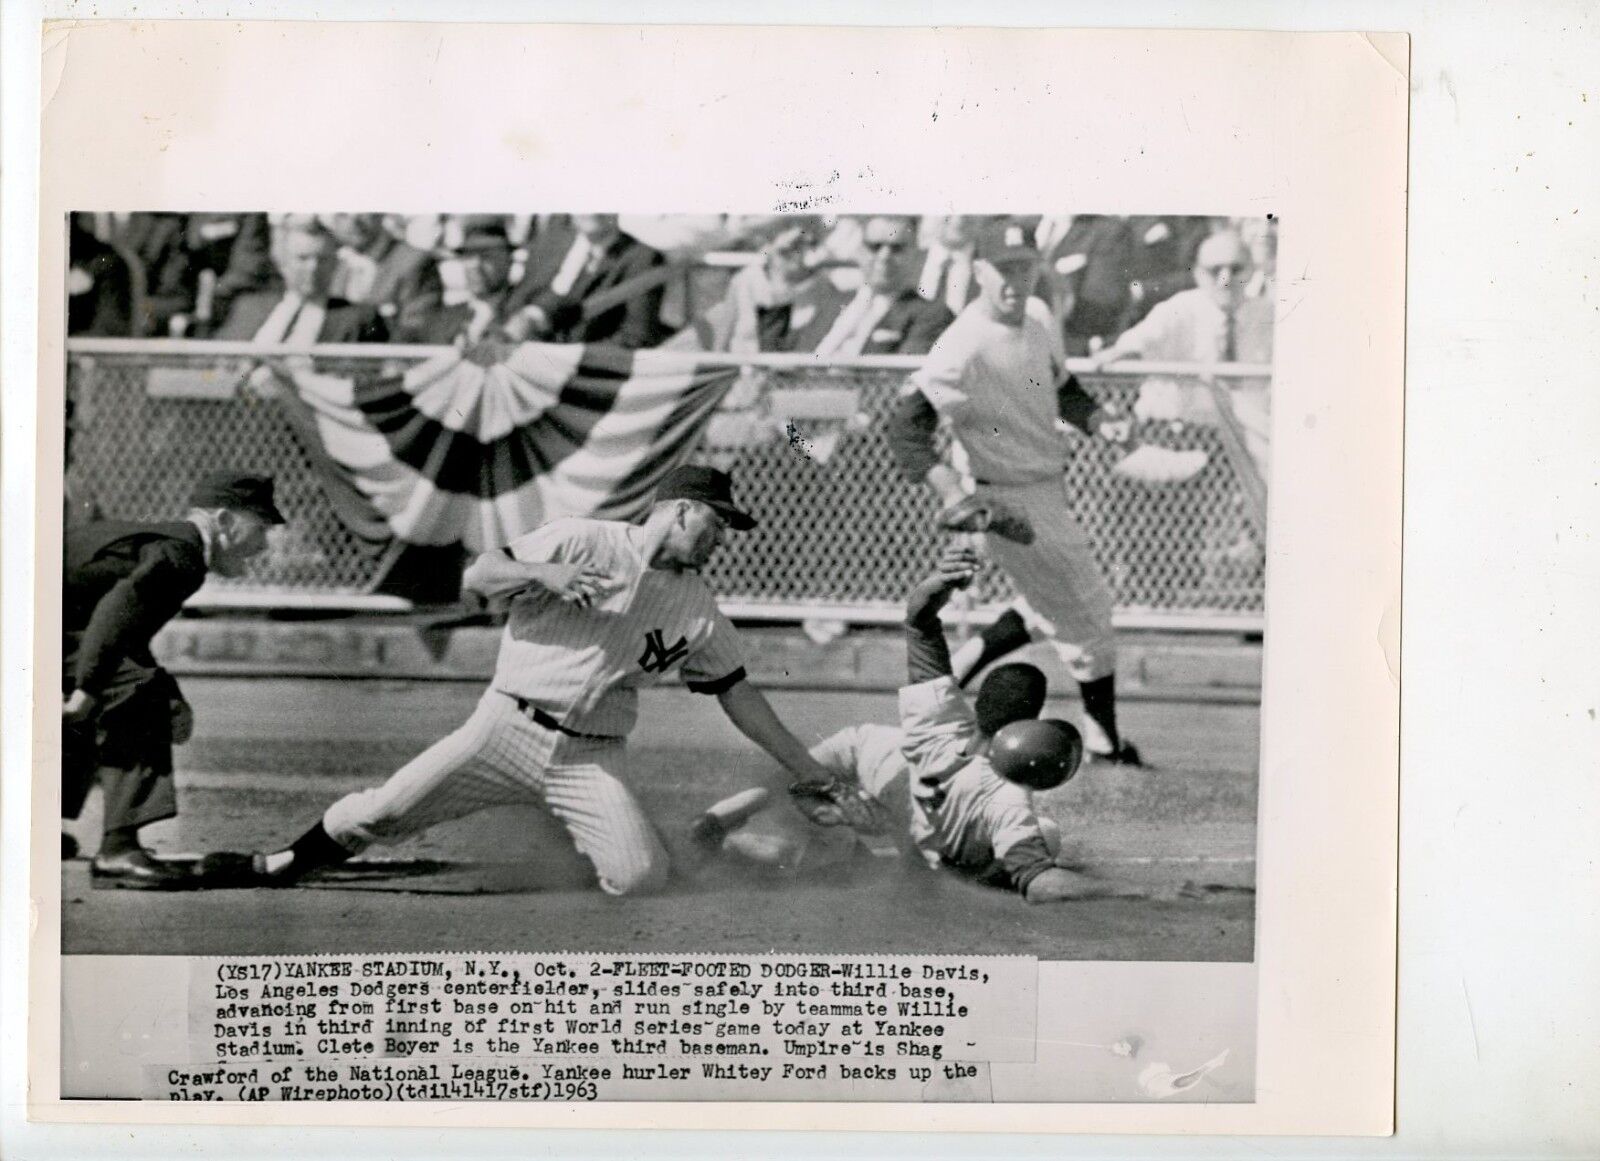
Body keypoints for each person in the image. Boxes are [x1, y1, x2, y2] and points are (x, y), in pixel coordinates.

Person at [196, 466, 853, 896]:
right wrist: (545, 575)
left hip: (589, 756)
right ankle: (278, 862)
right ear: (681, 511)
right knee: (385, 811)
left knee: (640, 876)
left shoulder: (700, 609)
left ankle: (688, 844)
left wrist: (806, 768)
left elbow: (740, 695)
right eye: (718, 522)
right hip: (503, 728)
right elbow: (478, 576)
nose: (722, 539)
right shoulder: (584, 540)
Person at [691, 543, 1155, 903]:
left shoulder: (936, 718)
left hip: (872, 753)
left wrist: (940, 581)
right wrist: (1140, 890)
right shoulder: (1007, 794)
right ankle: (771, 844)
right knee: (1043, 837)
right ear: (1028, 725)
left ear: (978, 706)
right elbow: (1038, 881)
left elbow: (918, 620)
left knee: (794, 778)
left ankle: (722, 819)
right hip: (907, 818)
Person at [885, 222, 1142, 765]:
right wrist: (953, 493)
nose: (1014, 280)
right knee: (1089, 614)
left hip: (1048, 488)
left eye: (1024, 267)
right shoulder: (962, 342)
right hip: (1006, 501)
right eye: (1004, 268)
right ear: (979, 271)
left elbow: (1064, 389)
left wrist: (1100, 422)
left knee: (1051, 602)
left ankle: (957, 669)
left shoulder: (1040, 317)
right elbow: (905, 426)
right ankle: (1105, 742)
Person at [62, 472, 285, 887]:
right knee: (137, 696)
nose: (263, 545)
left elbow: (122, 635)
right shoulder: (182, 554)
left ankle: (33, 821)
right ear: (223, 520)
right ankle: (119, 851)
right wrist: (86, 690)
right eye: (261, 527)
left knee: (126, 684)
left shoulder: (170, 544)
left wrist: (154, 688)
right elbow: (113, 617)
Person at [1087, 229, 1274, 476]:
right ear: (1197, 274)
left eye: (1235, 268)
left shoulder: (1269, 317)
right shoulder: (1180, 308)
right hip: (1178, 434)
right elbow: (1139, 341)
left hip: (1245, 439)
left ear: (1251, 271)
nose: (1225, 278)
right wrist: (1125, 352)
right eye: (1215, 270)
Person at [788, 215, 955, 356]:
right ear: (860, 250)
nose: (884, 256)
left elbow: (897, 383)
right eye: (874, 247)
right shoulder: (830, 303)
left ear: (917, 254)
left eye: (897, 248)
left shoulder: (933, 316)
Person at [500, 213, 668, 349]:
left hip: (580, 375)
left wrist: (563, 360)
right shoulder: (550, 243)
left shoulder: (642, 258)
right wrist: (531, 316)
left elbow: (636, 338)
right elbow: (515, 303)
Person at [212, 221, 389, 344]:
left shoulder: (359, 318)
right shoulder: (247, 307)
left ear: (335, 264)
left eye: (322, 260)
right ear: (283, 261)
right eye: (303, 259)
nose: (313, 268)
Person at [410, 220, 518, 345]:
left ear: (509, 260)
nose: (475, 265)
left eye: (487, 256)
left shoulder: (525, 313)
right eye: (469, 256)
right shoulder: (445, 318)